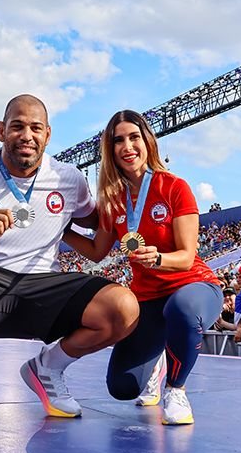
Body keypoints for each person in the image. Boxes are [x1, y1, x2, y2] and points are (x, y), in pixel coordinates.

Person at [0, 95, 138, 423]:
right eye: (17, 126)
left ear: (47, 135)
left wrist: (136, 184)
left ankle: (48, 368)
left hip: (45, 286)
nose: (26, 135)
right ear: (2, 130)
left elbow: (100, 220)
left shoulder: (69, 179)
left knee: (124, 308)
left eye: (35, 128)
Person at [91, 110, 222, 425]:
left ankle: (175, 391)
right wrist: (58, 225)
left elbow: (187, 257)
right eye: (118, 140)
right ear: (110, 150)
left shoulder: (174, 186)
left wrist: (158, 259)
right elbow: (96, 251)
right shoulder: (113, 200)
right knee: (122, 388)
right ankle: (158, 361)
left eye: (134, 137)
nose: (127, 146)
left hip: (193, 287)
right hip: (149, 298)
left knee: (183, 308)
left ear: (147, 141)